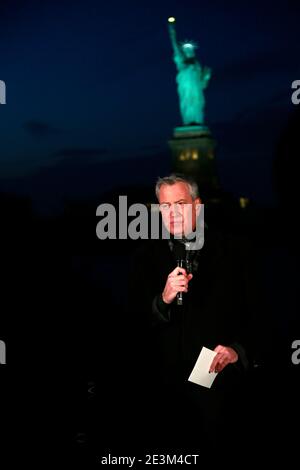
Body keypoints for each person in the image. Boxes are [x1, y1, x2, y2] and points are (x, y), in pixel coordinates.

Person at [129, 174, 258, 450]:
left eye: (180, 204)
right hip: (164, 396)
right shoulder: (143, 257)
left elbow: (261, 318)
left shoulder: (236, 250)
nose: (172, 214)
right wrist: (162, 299)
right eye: (165, 206)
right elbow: (130, 326)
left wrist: (239, 350)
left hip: (221, 394)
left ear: (197, 206)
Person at [168, 19, 211, 125]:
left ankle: (197, 122)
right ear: (184, 52)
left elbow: (202, 85)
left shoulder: (197, 65)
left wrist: (206, 77)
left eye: (190, 49)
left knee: (197, 102)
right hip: (185, 86)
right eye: (186, 49)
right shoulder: (182, 61)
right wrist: (172, 34)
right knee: (187, 103)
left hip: (196, 87)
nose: (188, 50)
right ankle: (188, 122)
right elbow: (175, 47)